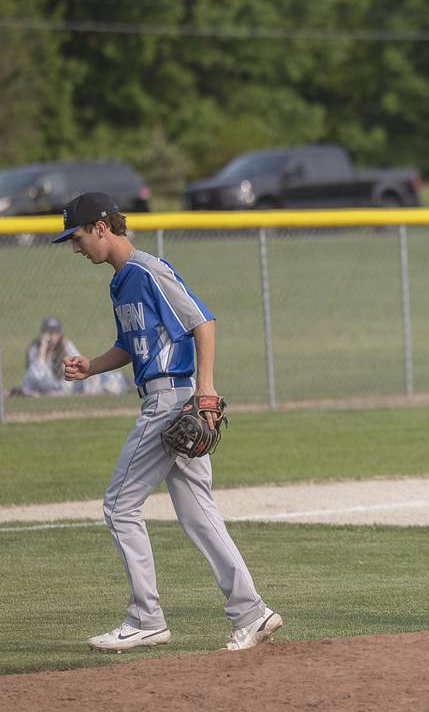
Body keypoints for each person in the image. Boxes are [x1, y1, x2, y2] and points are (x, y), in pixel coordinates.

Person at [52, 192, 281, 652]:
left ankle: (146, 618)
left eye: (76, 237)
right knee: (199, 515)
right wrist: (93, 366)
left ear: (101, 227)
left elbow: (203, 322)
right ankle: (251, 612)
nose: (75, 248)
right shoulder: (120, 283)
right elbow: (131, 344)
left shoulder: (149, 271)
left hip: (170, 400)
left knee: (119, 506)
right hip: (164, 395)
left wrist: (207, 390)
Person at [18, 317, 80, 397]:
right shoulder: (35, 348)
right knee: (29, 383)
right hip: (38, 385)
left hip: (60, 386)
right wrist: (42, 349)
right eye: (50, 332)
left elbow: (79, 361)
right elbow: (36, 375)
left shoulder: (66, 345)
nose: (53, 336)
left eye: (56, 332)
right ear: (43, 334)